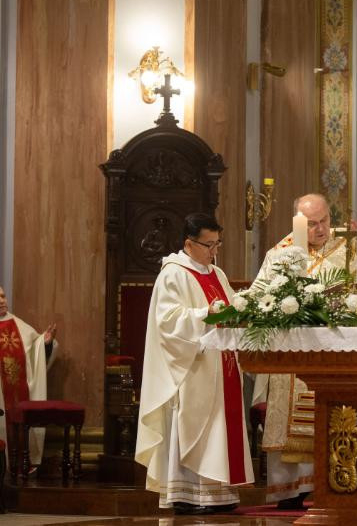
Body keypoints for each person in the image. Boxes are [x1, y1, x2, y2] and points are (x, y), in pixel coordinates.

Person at [250, 193, 357, 507]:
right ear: (298, 222)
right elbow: (259, 299)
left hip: (334, 352)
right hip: (292, 353)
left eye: (324, 221)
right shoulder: (279, 255)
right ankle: (290, 490)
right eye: (312, 224)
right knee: (291, 418)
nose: (321, 229)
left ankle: (334, 484)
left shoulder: (348, 250)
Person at [135, 213, 253, 515]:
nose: (214, 251)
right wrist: (205, 314)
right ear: (189, 244)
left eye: (217, 244)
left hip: (222, 365)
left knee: (221, 428)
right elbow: (168, 322)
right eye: (208, 245)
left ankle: (220, 494)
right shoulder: (173, 273)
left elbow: (230, 309)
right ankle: (189, 495)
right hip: (192, 367)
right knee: (195, 427)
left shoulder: (217, 274)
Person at [0, 286, 57, 469]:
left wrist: (45, 343)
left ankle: (20, 464)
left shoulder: (19, 325)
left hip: (18, 393)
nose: (2, 301)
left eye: (3, 296)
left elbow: (35, 349)